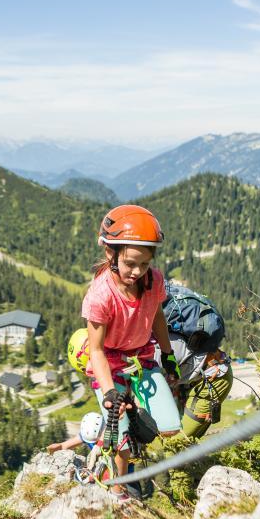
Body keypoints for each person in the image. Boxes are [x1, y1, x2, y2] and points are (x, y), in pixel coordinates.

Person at [80, 205, 180, 500]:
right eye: (130, 263)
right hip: (109, 365)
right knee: (121, 436)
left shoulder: (154, 282)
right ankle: (117, 489)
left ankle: (115, 439)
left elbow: (157, 317)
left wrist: (168, 354)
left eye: (145, 264)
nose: (137, 272)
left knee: (170, 427)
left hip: (142, 359)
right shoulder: (101, 296)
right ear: (111, 254)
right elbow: (96, 350)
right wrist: (111, 394)